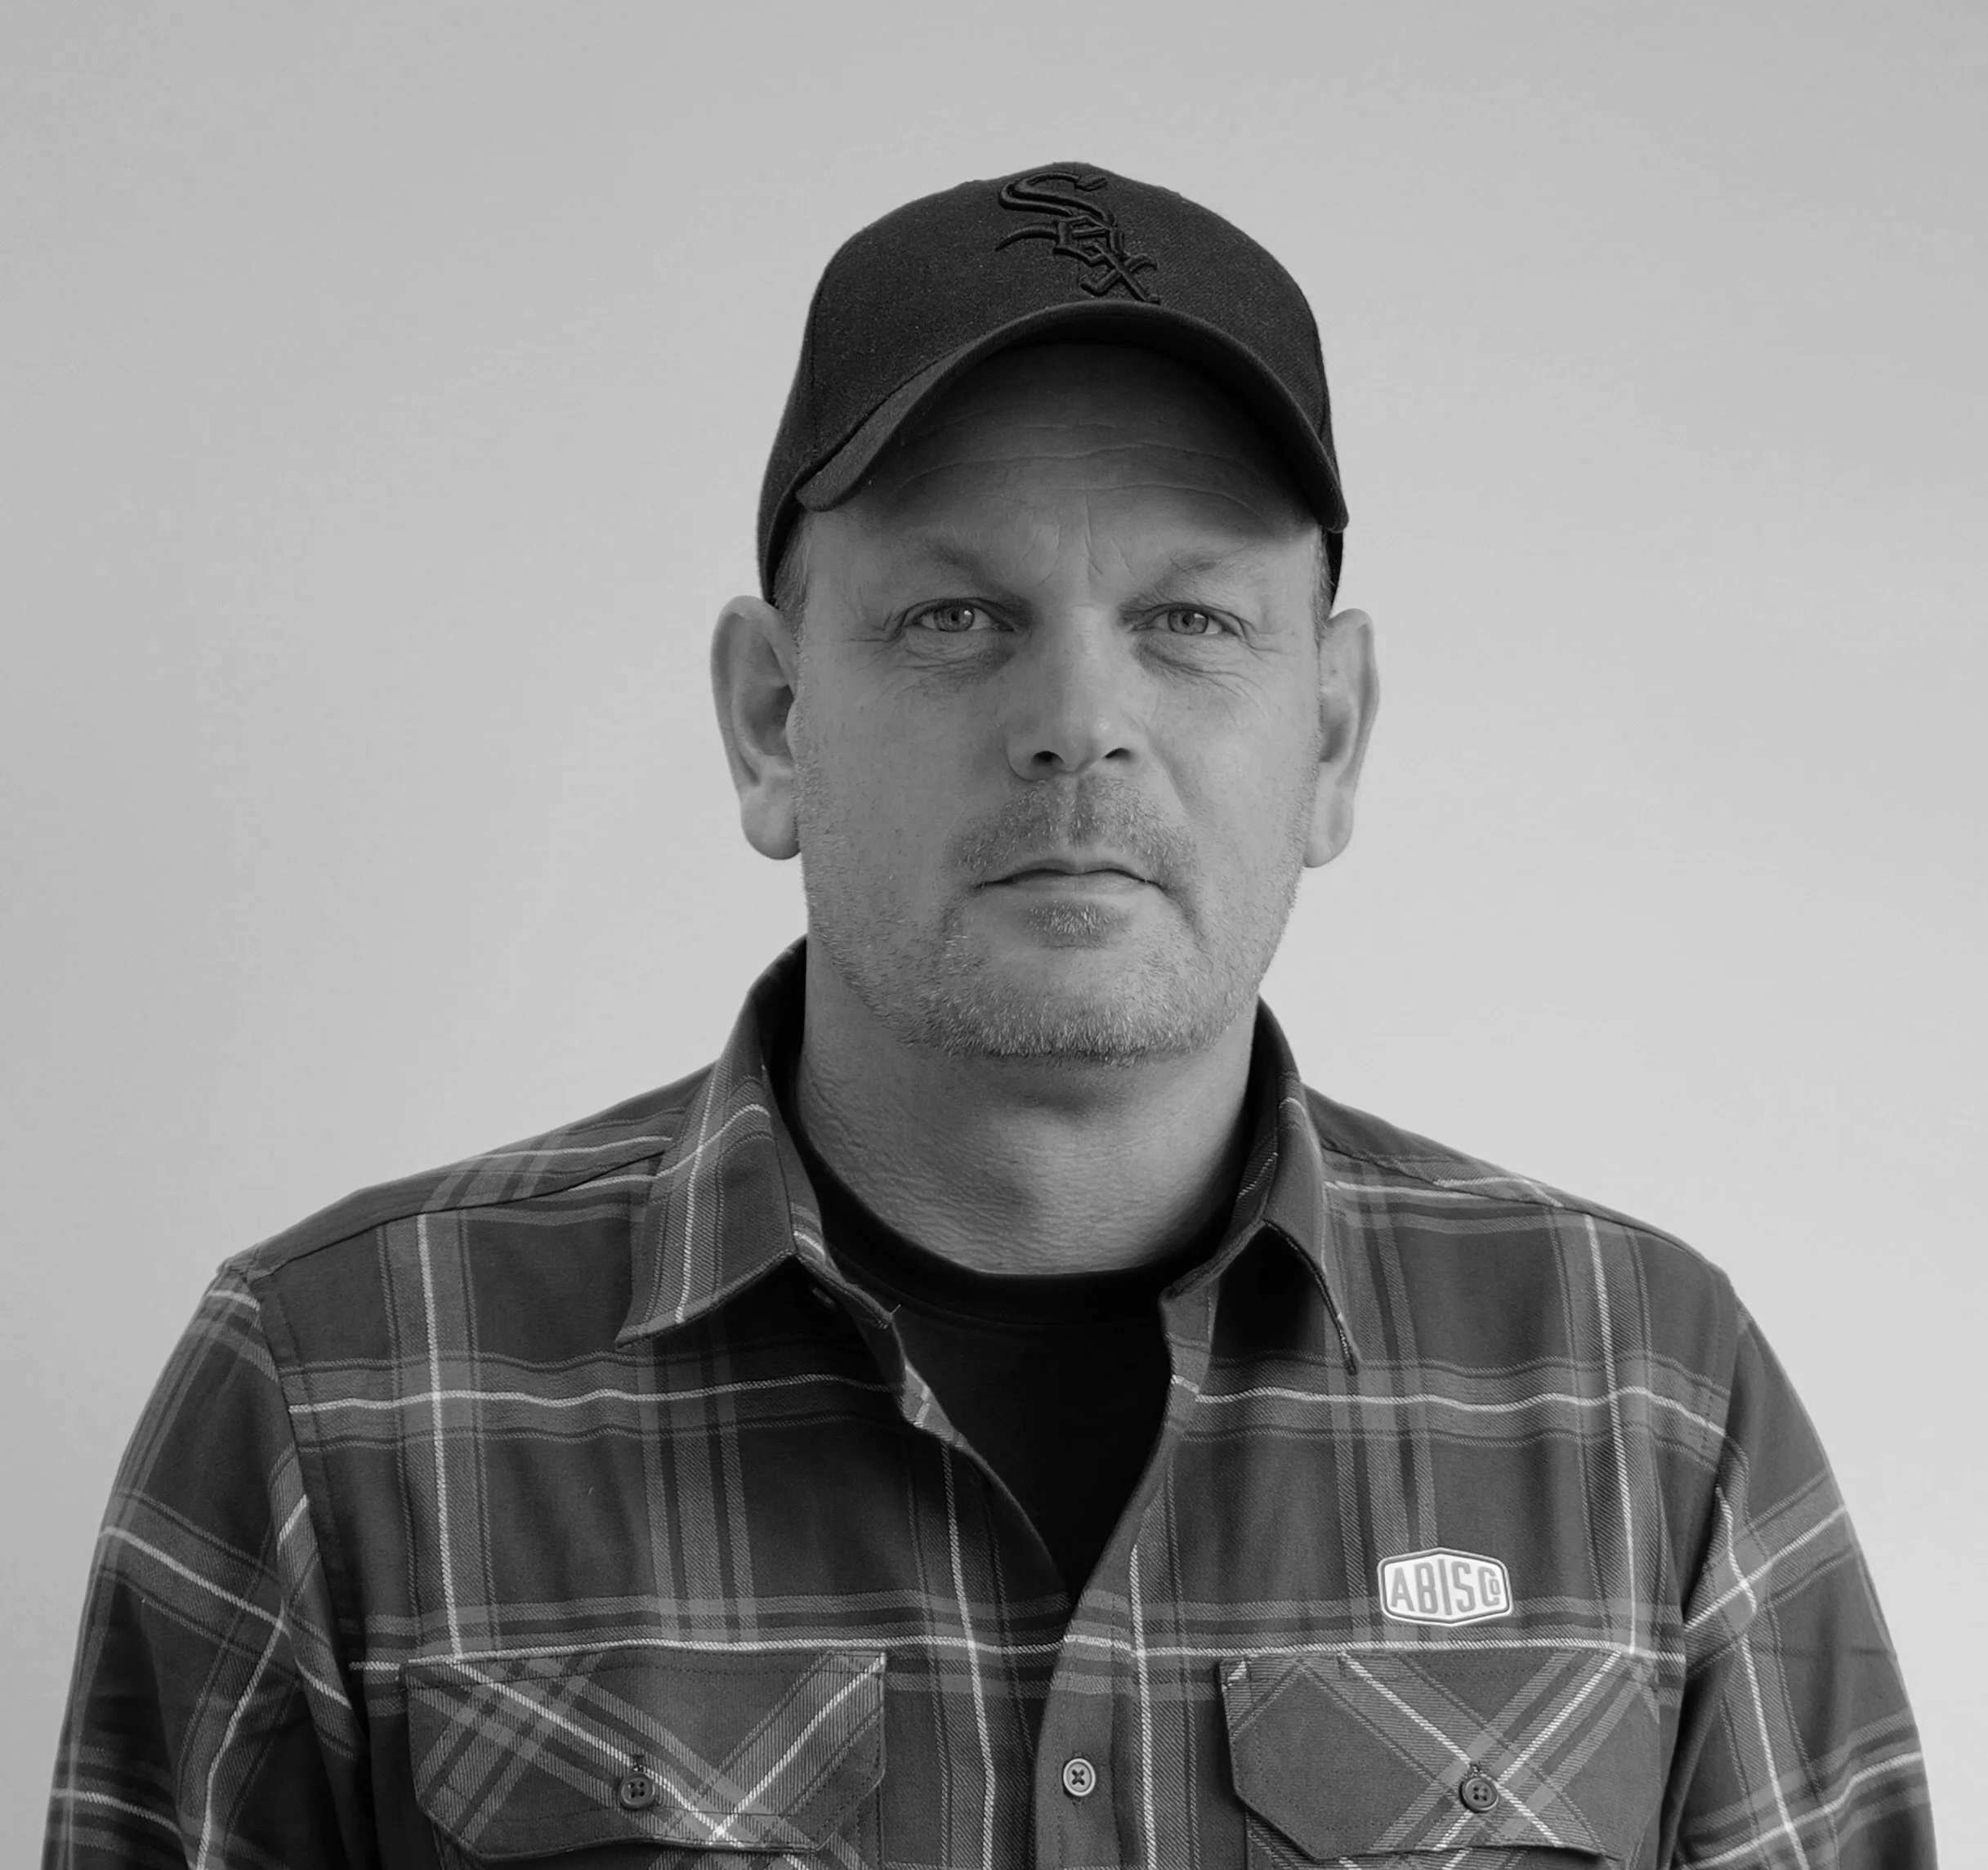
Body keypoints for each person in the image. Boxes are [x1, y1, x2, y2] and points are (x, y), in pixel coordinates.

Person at [46, 163, 1932, 1869]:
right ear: (771, 717)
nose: (1078, 720)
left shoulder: (1644, 1402)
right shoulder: (339, 1396)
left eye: (1190, 620)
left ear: (1332, 736)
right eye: (956, 616)